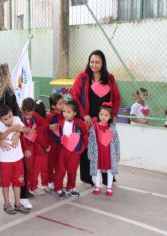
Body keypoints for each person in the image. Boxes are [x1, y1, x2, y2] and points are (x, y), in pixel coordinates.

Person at [0, 64, 32, 208]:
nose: (9, 77)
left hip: (12, 137)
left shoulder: (10, 94)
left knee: (20, 168)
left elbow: (16, 116)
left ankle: (22, 196)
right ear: (1, 77)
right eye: (7, 75)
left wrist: (17, 134)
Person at [71, 50, 121, 186]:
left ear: (103, 63)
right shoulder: (83, 77)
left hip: (105, 119)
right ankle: (87, 177)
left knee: (106, 147)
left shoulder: (109, 78)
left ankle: (107, 177)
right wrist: (84, 114)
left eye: (97, 62)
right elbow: (74, 96)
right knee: (89, 147)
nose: (94, 64)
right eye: (92, 61)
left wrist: (113, 115)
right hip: (88, 119)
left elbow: (117, 97)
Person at [0, 104, 31, 214]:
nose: (9, 120)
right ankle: (6, 204)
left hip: (18, 158)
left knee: (18, 182)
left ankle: (17, 203)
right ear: (0, 119)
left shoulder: (17, 119)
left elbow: (26, 130)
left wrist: (19, 131)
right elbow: (0, 137)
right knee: (5, 183)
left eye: (10, 116)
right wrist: (11, 129)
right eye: (5, 119)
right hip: (5, 160)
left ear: (12, 113)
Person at [54, 100, 88, 199]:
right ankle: (58, 188)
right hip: (63, 151)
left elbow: (85, 134)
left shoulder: (80, 123)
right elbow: (58, 136)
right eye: (64, 111)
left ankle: (71, 187)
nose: (65, 114)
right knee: (60, 170)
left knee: (72, 170)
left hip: (75, 152)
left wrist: (83, 147)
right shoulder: (60, 123)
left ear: (75, 113)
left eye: (68, 112)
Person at [88, 102, 120, 196]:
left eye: (106, 115)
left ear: (110, 116)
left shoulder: (112, 128)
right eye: (101, 114)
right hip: (97, 154)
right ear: (98, 114)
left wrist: (117, 154)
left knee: (110, 170)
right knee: (96, 170)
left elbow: (117, 141)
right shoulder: (94, 127)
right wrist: (90, 153)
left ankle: (109, 188)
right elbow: (91, 142)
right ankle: (97, 186)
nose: (103, 117)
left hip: (109, 154)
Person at [20, 98, 45, 196]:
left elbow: (44, 124)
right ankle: (25, 188)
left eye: (31, 113)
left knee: (36, 166)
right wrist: (25, 148)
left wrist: (36, 130)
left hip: (34, 144)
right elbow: (19, 134)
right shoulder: (19, 118)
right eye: (27, 114)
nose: (29, 116)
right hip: (24, 147)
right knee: (27, 168)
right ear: (22, 109)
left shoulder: (35, 116)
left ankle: (33, 186)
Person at [43, 93, 64, 191]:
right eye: (60, 104)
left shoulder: (64, 115)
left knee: (60, 164)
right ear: (53, 106)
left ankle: (58, 180)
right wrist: (49, 128)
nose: (63, 105)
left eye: (63, 102)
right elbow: (44, 131)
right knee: (50, 164)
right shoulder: (50, 117)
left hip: (61, 144)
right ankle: (50, 181)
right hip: (52, 145)